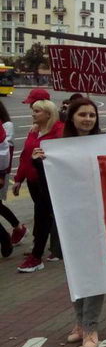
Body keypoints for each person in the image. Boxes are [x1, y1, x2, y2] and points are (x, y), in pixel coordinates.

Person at [57, 98, 106, 347]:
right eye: (82, 114)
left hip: (97, 217)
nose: (88, 119)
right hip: (69, 219)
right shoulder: (59, 148)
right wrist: (39, 160)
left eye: (92, 115)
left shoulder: (104, 144)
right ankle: (78, 322)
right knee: (75, 271)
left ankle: (90, 326)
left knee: (94, 273)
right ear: (72, 117)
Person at [14, 99, 64, 272]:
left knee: (45, 216)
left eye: (37, 111)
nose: (33, 114)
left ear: (48, 114)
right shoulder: (34, 131)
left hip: (51, 182)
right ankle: (42, 251)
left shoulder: (59, 130)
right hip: (34, 182)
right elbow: (25, 156)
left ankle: (40, 254)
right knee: (42, 216)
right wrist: (19, 178)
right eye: (33, 111)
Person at [0, 100, 27, 254]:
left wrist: (3, 174)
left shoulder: (6, 125)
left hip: (1, 170)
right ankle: (17, 228)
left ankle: (8, 237)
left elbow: (7, 150)